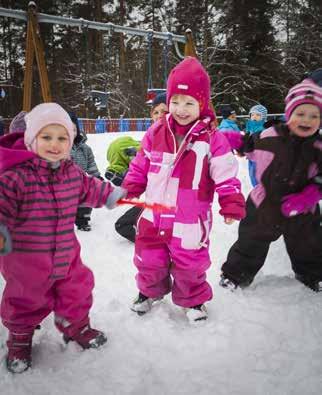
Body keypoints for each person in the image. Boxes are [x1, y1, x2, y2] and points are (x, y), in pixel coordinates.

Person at [0, 102, 124, 373]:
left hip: (66, 252)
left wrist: (108, 194)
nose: (54, 144)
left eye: (62, 137)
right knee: (24, 298)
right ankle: (20, 339)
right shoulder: (15, 177)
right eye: (46, 137)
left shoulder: (70, 172)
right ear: (31, 139)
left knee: (77, 289)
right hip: (25, 259)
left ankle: (75, 326)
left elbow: (89, 186)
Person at [120, 57, 246, 322]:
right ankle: (149, 292)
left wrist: (231, 202)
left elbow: (226, 175)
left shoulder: (213, 139)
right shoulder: (156, 132)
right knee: (148, 259)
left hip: (189, 218)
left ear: (202, 104)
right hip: (154, 216)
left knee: (191, 263)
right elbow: (140, 164)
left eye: (189, 103)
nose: (181, 109)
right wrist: (131, 186)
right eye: (175, 101)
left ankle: (193, 301)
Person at [219, 78, 322, 293]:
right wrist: (229, 139)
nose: (307, 120)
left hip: (303, 210)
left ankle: (312, 275)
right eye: (300, 114)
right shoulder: (272, 136)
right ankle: (235, 274)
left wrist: (308, 197)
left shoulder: (319, 147)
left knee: (309, 245)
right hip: (264, 204)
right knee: (250, 241)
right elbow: (249, 143)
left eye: (315, 116)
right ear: (289, 113)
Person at [114, 92, 168, 242]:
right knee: (121, 225)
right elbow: (140, 167)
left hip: (173, 205)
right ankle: (150, 239)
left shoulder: (181, 140)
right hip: (153, 201)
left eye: (164, 112)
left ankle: (157, 240)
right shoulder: (150, 138)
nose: (159, 115)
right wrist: (128, 187)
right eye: (155, 112)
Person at [69, 112, 103, 231]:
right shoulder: (59, 147)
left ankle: (82, 220)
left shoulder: (85, 148)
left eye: (72, 129)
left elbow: (91, 163)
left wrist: (97, 176)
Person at [245, 104, 268, 187]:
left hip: (260, 157)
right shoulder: (250, 126)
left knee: (258, 174)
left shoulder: (264, 128)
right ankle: (256, 188)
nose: (254, 117)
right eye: (252, 114)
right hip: (250, 155)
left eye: (258, 115)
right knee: (251, 174)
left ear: (263, 117)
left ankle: (260, 188)